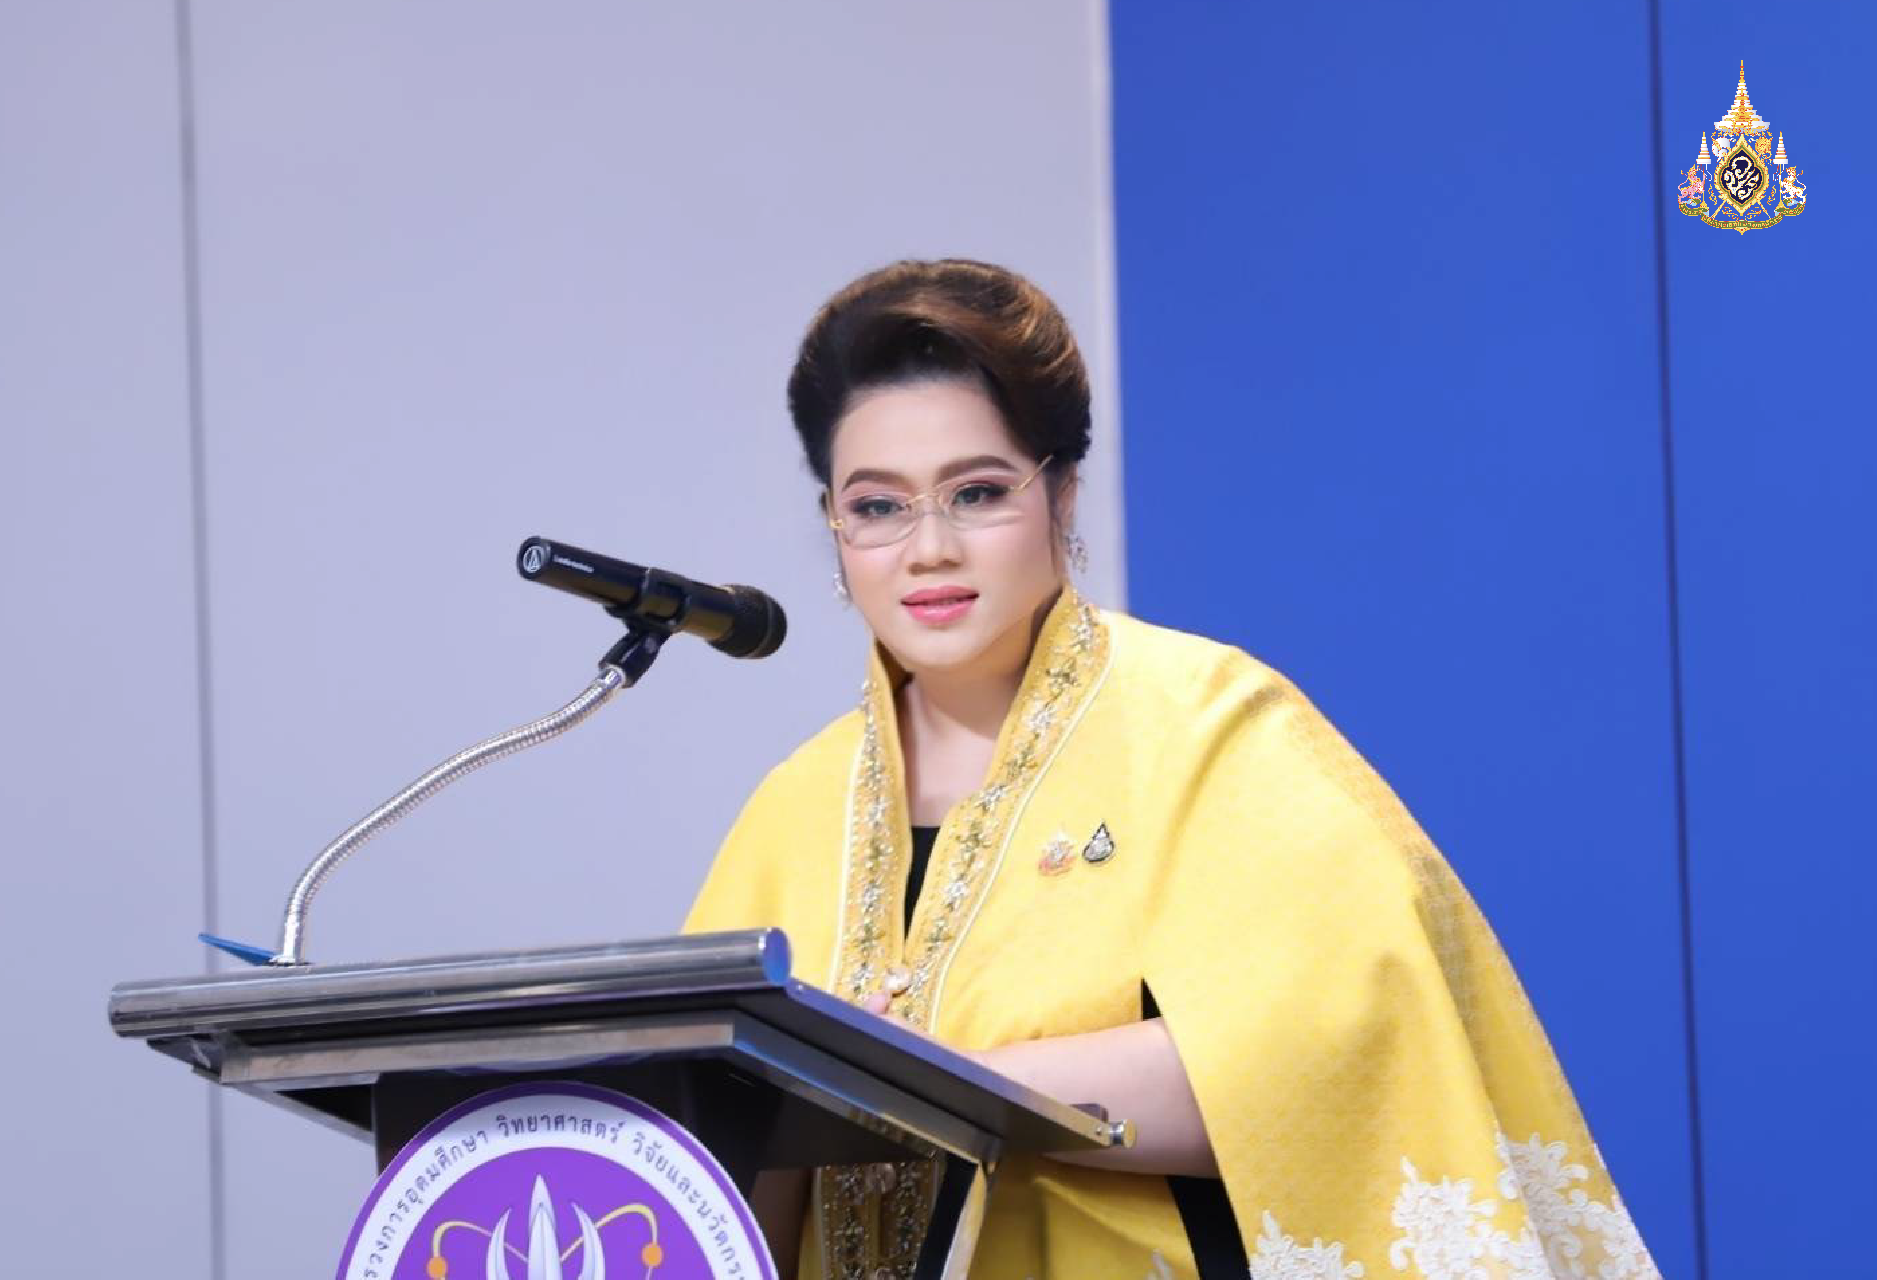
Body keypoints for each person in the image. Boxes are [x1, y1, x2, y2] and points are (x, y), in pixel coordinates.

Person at [684, 259, 1659, 1280]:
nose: (928, 548)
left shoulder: (1208, 725)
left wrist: (919, 1080)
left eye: (977, 492)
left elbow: (1338, 1058)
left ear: (1062, 493)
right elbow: (707, 1157)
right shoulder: (794, 806)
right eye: (878, 507)